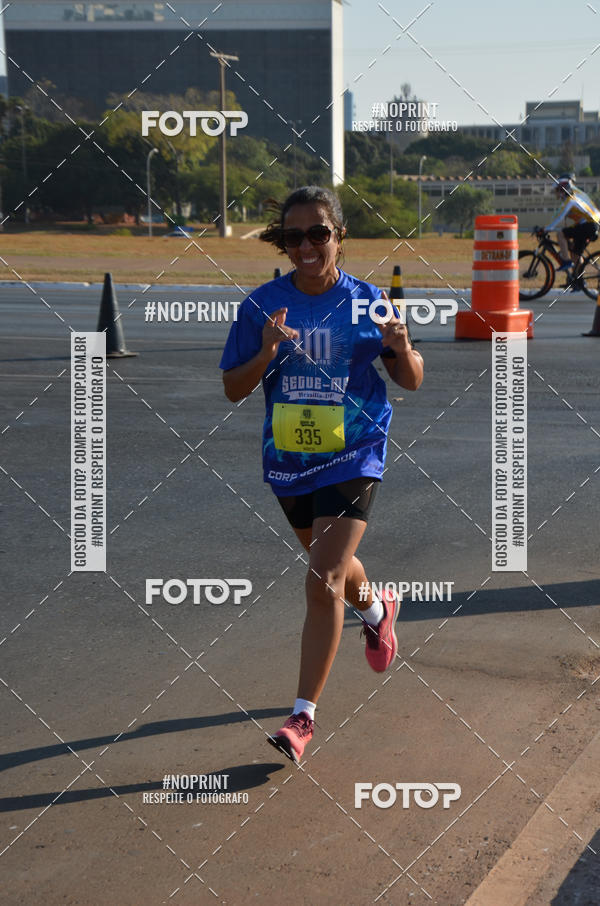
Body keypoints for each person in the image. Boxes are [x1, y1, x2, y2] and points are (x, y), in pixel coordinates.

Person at [219, 186, 424, 763]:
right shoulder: (261, 304)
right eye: (293, 236)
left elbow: (411, 380)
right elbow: (234, 388)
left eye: (318, 233)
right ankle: (379, 612)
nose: (306, 245)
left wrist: (402, 347)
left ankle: (302, 718)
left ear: (338, 237)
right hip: (290, 459)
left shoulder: (369, 302)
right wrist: (264, 351)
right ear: (282, 243)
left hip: (355, 451)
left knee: (321, 576)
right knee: (331, 567)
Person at [544, 174, 600, 285]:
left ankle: (566, 261)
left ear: (563, 189)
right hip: (591, 225)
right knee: (575, 253)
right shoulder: (578, 194)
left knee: (560, 234)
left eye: (557, 190)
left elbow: (558, 216)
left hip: (589, 226)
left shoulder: (570, 200)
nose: (556, 193)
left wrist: (546, 229)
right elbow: (579, 217)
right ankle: (579, 282)